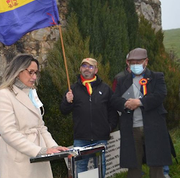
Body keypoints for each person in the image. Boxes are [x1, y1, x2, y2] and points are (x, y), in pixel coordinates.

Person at [0, 54, 68, 177]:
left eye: (36, 73)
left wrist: (54, 147)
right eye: (30, 72)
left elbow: (41, 127)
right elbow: (8, 132)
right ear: (18, 71)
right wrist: (39, 151)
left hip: (38, 156)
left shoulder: (32, 94)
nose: (34, 77)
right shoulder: (4, 95)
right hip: (18, 159)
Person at [111, 48, 172, 178]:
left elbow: (160, 95)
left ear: (146, 61)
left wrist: (139, 102)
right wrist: (125, 104)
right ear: (127, 63)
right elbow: (115, 100)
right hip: (132, 128)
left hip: (153, 127)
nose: (135, 65)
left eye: (138, 61)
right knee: (134, 165)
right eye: (132, 62)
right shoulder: (122, 80)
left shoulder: (157, 77)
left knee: (156, 164)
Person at [60, 58, 119, 175]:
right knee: (80, 166)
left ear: (96, 70)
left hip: (100, 137)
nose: (87, 68)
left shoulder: (105, 88)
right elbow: (63, 110)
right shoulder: (73, 89)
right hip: (81, 137)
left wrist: (109, 127)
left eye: (90, 66)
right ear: (80, 69)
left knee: (100, 165)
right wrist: (67, 101)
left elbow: (113, 111)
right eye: (84, 66)